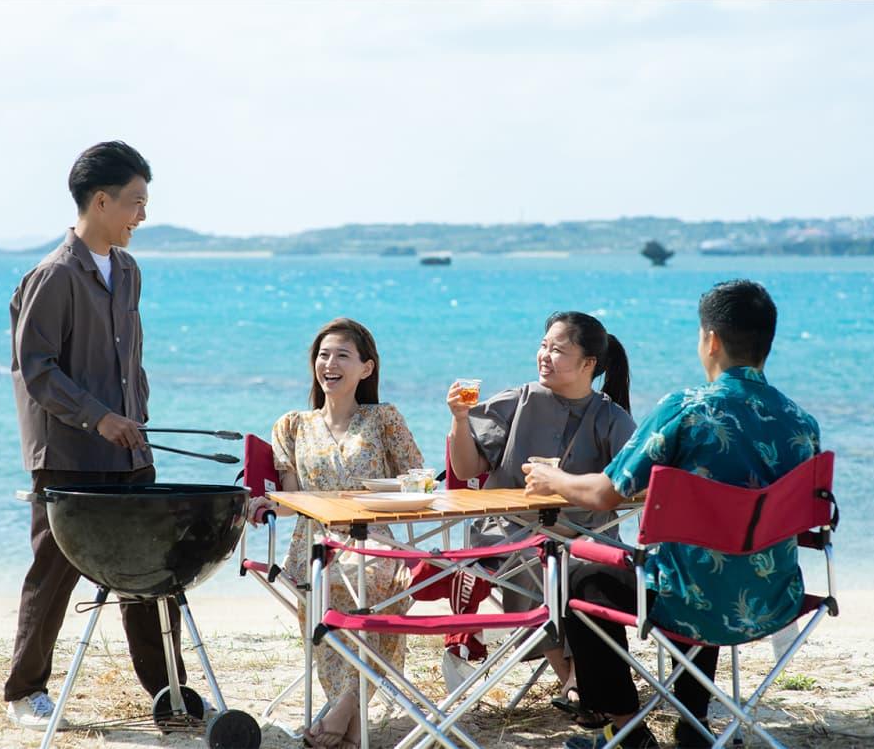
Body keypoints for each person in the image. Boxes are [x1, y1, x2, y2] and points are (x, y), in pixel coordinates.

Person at [523, 280, 821, 749]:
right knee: (713, 556)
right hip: (772, 598)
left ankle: (624, 729)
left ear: (712, 340)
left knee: (581, 575)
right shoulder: (802, 423)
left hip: (690, 598)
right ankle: (693, 722)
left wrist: (552, 481)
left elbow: (605, 492)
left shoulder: (686, 409)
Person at [5, 141, 187, 729]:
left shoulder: (129, 271)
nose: (142, 216)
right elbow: (36, 370)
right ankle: (24, 692)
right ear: (101, 201)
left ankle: (170, 696)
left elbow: (129, 359)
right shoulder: (53, 275)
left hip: (129, 450)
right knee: (52, 575)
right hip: (67, 453)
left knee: (152, 573)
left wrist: (135, 413)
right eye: (136, 202)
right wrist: (99, 417)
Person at [434, 311, 636, 719]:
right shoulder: (517, 400)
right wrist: (459, 420)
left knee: (580, 567)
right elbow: (468, 468)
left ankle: (581, 685)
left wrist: (567, 484)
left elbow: (639, 479)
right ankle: (577, 679)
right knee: (539, 559)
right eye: (543, 345)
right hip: (506, 532)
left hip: (584, 537)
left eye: (557, 350)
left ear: (588, 364)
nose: (544, 355)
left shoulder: (611, 417)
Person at [251, 317, 423, 749]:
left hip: (380, 540)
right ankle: (352, 720)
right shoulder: (291, 425)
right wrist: (261, 502)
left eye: (342, 355)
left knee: (376, 584)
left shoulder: (384, 418)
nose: (329, 363)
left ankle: (345, 708)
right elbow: (291, 498)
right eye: (323, 355)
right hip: (316, 545)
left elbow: (419, 481)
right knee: (330, 585)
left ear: (366, 368)